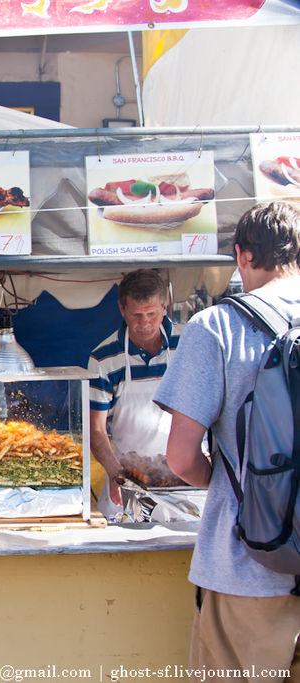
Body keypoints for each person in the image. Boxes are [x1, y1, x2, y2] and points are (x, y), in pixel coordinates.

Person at [154, 201, 300, 676]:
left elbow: (180, 457)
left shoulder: (217, 327)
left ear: (241, 256)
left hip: (248, 567)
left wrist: (229, 482)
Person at [87, 268, 181, 518]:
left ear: (165, 306)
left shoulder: (188, 344)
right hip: (128, 476)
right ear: (122, 310)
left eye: (152, 314)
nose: (145, 324)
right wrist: (114, 471)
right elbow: (95, 429)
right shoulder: (104, 358)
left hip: (184, 476)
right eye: (137, 315)